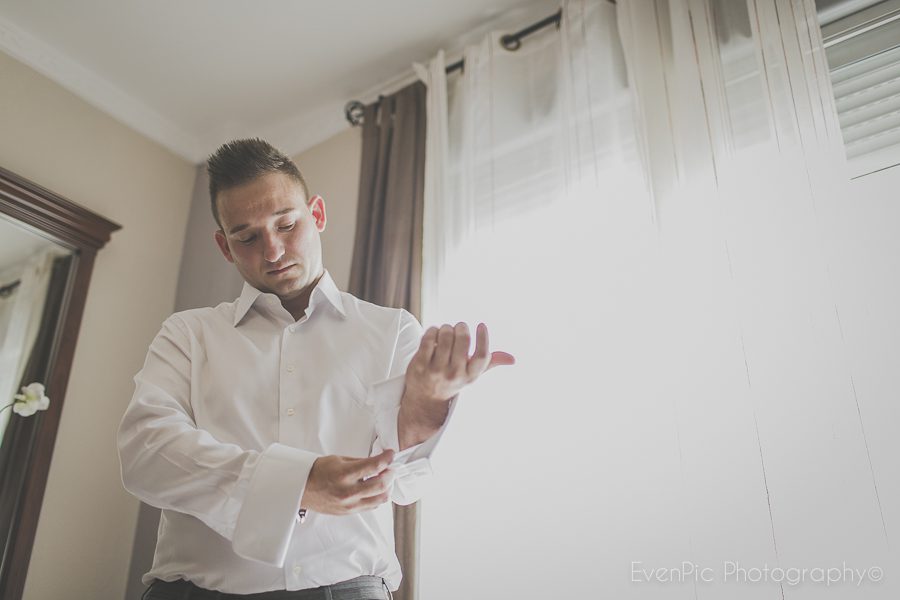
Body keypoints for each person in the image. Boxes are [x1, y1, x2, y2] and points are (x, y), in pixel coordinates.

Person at [117, 138, 514, 600]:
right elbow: (147, 452)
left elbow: (404, 484)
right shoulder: (188, 334)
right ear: (224, 247)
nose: (272, 251)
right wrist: (296, 484)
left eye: (286, 225)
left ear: (318, 215)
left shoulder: (392, 331)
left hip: (349, 587)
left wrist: (425, 405)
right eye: (247, 237)